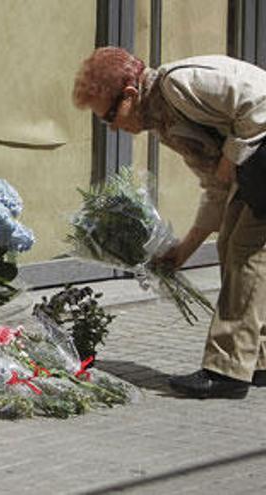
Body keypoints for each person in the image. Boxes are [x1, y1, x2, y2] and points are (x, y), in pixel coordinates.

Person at [73, 47, 266, 399]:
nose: (114, 127)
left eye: (110, 116)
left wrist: (230, 157)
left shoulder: (181, 83)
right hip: (256, 167)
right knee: (231, 247)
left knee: (246, 254)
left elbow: (260, 104)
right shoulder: (166, 125)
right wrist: (183, 251)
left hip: (259, 158)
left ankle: (227, 372)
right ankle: (256, 361)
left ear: (131, 94)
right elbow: (215, 186)